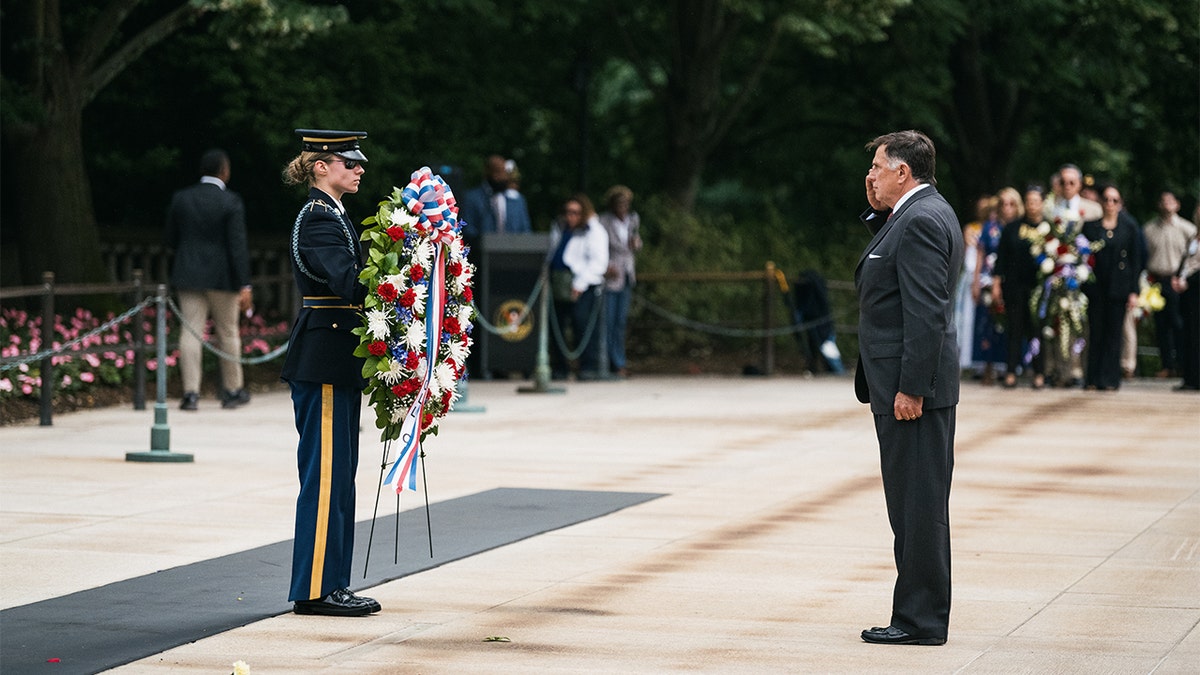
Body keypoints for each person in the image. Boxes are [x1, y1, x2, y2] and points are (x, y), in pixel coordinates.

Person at [855, 130, 962, 646]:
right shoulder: (918, 213)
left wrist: (911, 388)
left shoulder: (920, 220)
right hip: (906, 384)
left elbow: (926, 312)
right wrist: (880, 211)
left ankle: (919, 620)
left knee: (918, 508)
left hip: (912, 391)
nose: (870, 175)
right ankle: (916, 612)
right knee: (913, 506)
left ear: (904, 171)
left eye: (878, 166)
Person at [279, 129, 380, 617]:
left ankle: (333, 583)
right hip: (322, 358)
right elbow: (348, 283)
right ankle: (316, 589)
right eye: (349, 162)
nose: (359, 169)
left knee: (341, 476)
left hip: (336, 359)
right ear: (321, 166)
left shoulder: (335, 216)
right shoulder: (319, 219)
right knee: (325, 478)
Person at [164, 148, 253, 411]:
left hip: (188, 272)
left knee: (190, 331)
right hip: (223, 276)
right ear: (224, 171)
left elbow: (170, 239)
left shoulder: (182, 198)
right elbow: (237, 246)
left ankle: (191, 393)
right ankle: (232, 390)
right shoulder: (231, 201)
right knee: (227, 332)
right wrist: (245, 283)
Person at [1081, 185, 1143, 391]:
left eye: (1114, 200)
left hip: (1119, 288)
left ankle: (1110, 378)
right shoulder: (1090, 227)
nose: (1110, 204)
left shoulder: (1129, 228)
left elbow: (1136, 260)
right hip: (1096, 288)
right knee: (1096, 332)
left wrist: (1134, 290)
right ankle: (1092, 377)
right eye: (1107, 199)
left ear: (1120, 204)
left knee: (1114, 334)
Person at [547, 194, 609, 380]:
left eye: (575, 213)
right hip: (559, 282)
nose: (570, 216)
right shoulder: (561, 228)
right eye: (567, 212)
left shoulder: (594, 231)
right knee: (557, 325)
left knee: (582, 325)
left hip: (582, 285)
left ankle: (588, 367)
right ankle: (560, 367)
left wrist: (580, 283)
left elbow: (598, 262)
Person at [993, 185, 1047, 389]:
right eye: (1029, 201)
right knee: (1014, 329)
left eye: (1036, 201)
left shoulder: (1049, 229)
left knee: (1037, 330)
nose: (1032, 205)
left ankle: (1039, 372)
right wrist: (997, 283)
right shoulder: (1012, 228)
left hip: (1038, 288)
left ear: (1042, 203)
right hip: (1014, 286)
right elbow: (1001, 259)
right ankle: (1010, 371)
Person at [1143, 190, 1198, 378]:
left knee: (1180, 324)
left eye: (1170, 201)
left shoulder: (1188, 229)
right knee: (1161, 326)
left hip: (1180, 282)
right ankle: (1167, 365)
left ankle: (1183, 364)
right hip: (1157, 281)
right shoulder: (1149, 229)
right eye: (1163, 200)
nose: (1167, 204)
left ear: (1177, 204)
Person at [598, 185, 642, 378]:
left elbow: (636, 243)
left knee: (620, 322)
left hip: (627, 274)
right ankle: (608, 362)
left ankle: (620, 361)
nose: (623, 207)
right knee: (608, 320)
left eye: (625, 204)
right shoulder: (604, 221)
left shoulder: (633, 220)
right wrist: (605, 266)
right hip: (611, 274)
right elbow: (600, 246)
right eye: (619, 203)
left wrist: (636, 244)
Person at [970, 190, 1011, 384]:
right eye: (1002, 204)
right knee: (985, 323)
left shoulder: (1016, 228)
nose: (1006, 208)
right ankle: (985, 366)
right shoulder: (989, 228)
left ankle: (1005, 365)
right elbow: (980, 255)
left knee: (1004, 324)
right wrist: (976, 281)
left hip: (1008, 281)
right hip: (987, 279)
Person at [459, 154, 532, 239]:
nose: (503, 177)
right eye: (498, 172)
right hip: (481, 250)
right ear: (487, 172)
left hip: (514, 250)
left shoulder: (517, 201)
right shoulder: (471, 198)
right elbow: (468, 229)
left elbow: (526, 231)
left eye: (505, 173)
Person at [1171, 205, 1200, 391]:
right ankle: (1189, 376)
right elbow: (1186, 261)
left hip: (1196, 288)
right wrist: (1178, 277)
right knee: (1188, 334)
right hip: (1188, 293)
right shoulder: (1193, 237)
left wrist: (1190, 281)